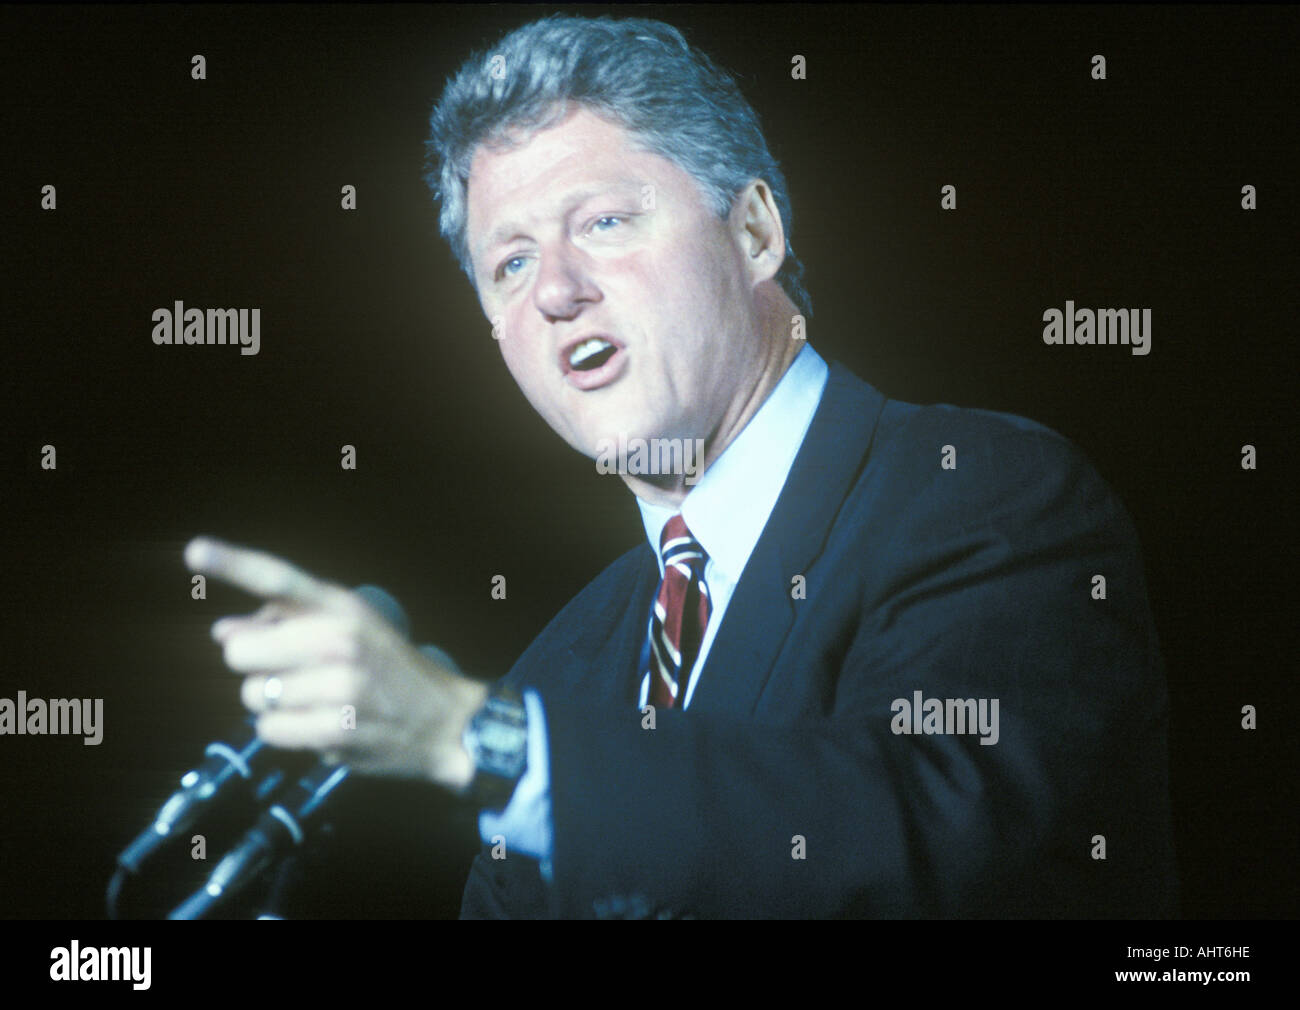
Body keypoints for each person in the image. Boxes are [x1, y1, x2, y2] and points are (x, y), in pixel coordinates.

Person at [185, 14, 1179, 918]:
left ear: (753, 232)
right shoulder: (558, 668)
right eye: (511, 262)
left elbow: (932, 830)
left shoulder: (981, 492)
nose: (557, 292)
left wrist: (478, 741)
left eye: (605, 221)